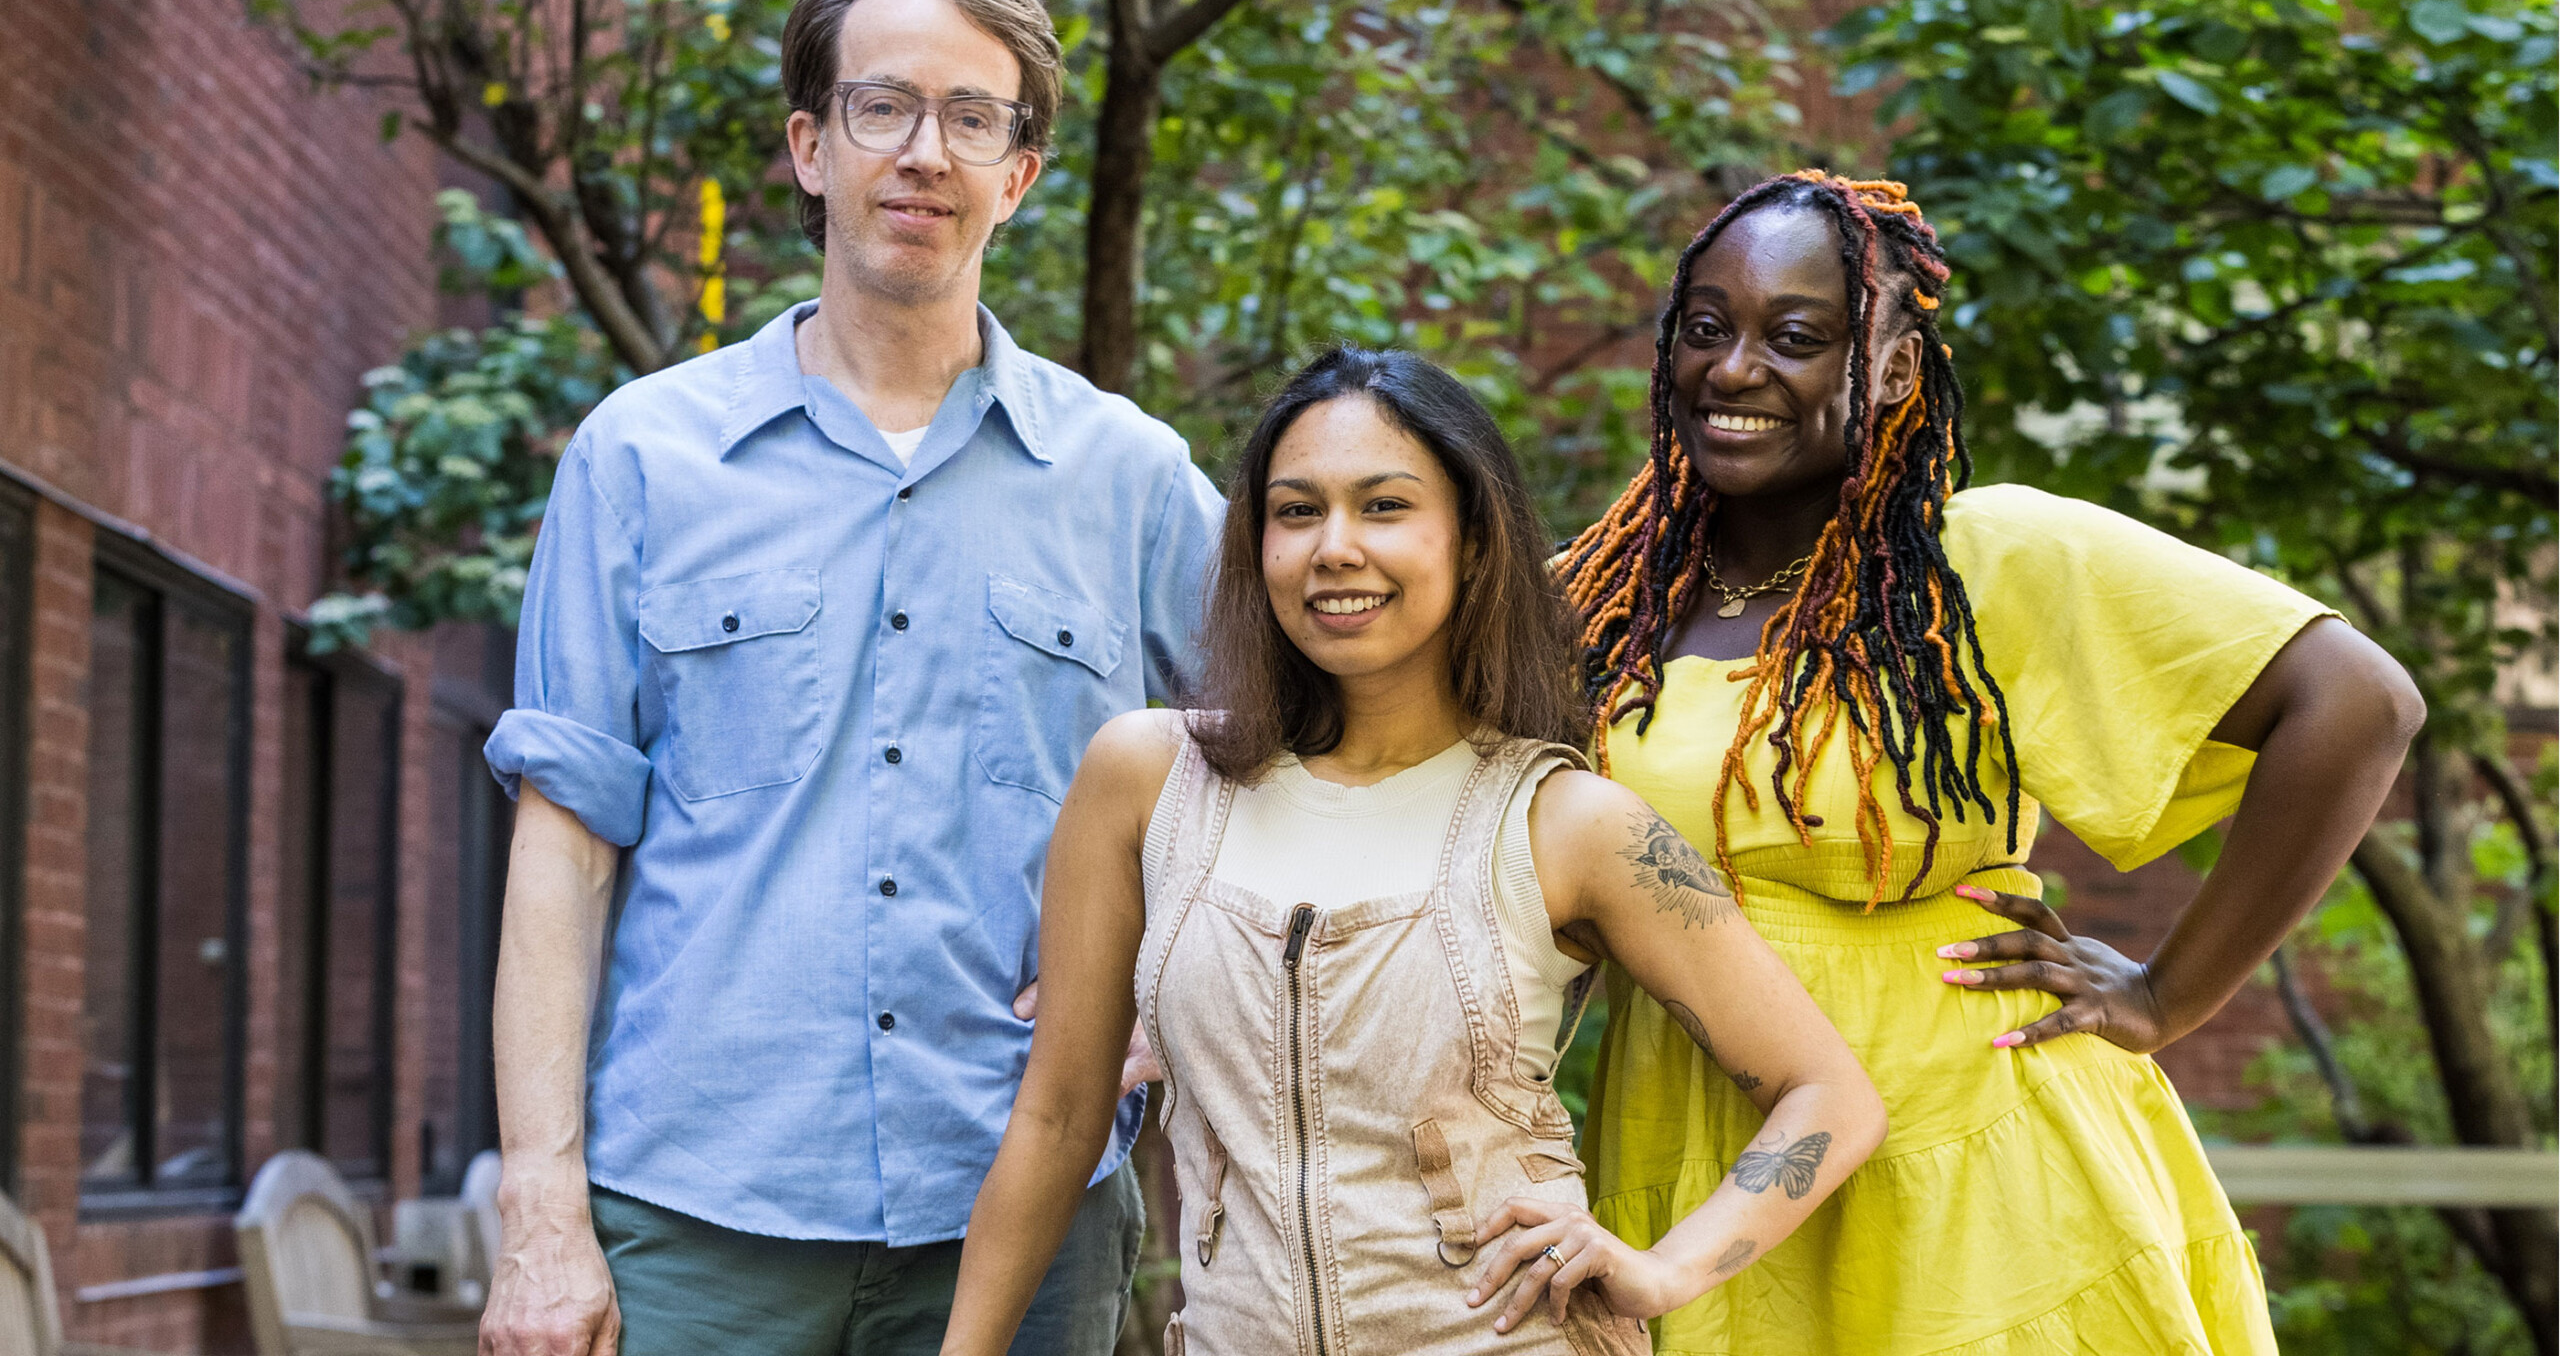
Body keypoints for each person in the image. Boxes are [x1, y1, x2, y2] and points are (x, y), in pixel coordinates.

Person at [475, 0, 1224, 1356]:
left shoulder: (1130, 482)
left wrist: (1171, 1003)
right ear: (812, 147)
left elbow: (1308, 753)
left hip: (1026, 1212)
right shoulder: (642, 458)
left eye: (972, 118)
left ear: (1022, 174)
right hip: (696, 1222)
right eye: (884, 107)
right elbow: (563, 853)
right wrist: (541, 1212)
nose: (924, 153)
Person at [1558, 170, 2426, 1353]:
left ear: (1896, 373)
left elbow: (2357, 703)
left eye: (1796, 337)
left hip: (1975, 1167)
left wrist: (2168, 997)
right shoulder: (1603, 606)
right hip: (1696, 1152)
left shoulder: (1984, 562)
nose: (1735, 369)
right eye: (1705, 330)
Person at [937, 348, 1888, 1356]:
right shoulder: (1147, 777)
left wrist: (1667, 1270)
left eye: (1384, 507)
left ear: (1472, 541)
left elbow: (1829, 1096)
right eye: (1295, 512)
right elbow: (1055, 1119)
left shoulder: (1566, 823)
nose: (1333, 548)